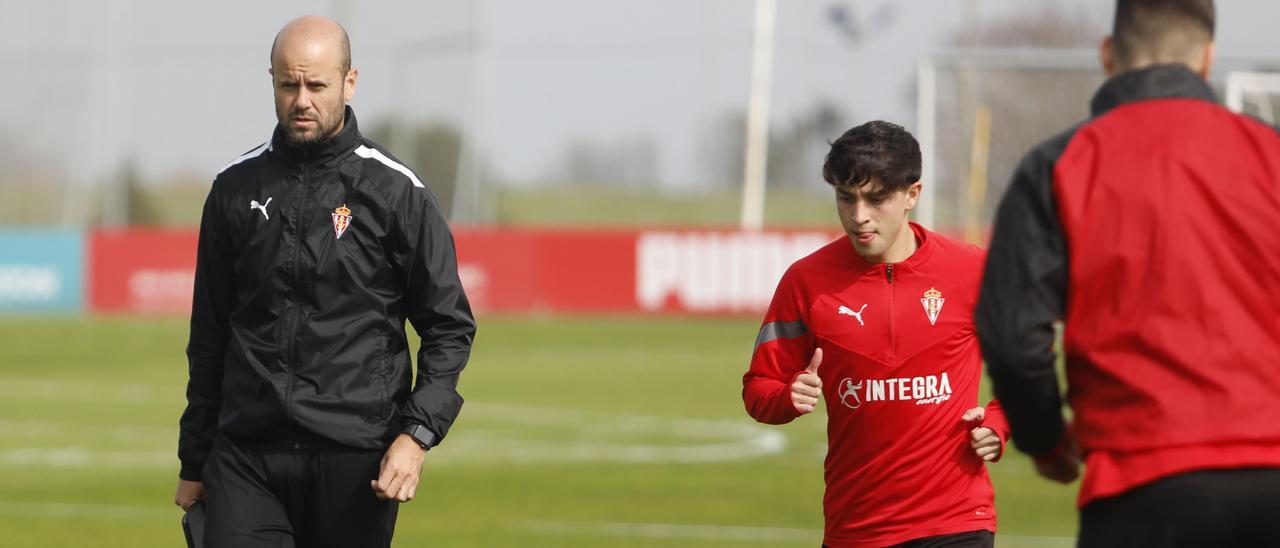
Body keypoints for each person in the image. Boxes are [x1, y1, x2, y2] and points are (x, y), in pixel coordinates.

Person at [977, 0, 1280, 545]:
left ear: (1108, 53)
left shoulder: (1057, 163)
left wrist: (1045, 441)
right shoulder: (1271, 154)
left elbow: (1013, 339)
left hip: (1141, 490)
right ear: (1207, 59)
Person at [172, 15, 476, 547]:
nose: (302, 100)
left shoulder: (395, 191)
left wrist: (416, 435)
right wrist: (195, 458)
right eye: (289, 85)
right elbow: (210, 338)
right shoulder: (232, 189)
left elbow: (449, 327)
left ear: (349, 82)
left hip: (356, 456)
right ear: (271, 81)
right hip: (247, 456)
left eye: (316, 85)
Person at [743, 121, 1010, 548]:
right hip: (856, 528)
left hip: (955, 524)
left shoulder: (972, 271)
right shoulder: (805, 282)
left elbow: (1028, 361)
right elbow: (759, 387)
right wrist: (786, 397)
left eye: (876, 199)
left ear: (912, 195)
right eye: (845, 198)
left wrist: (999, 420)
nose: (859, 215)